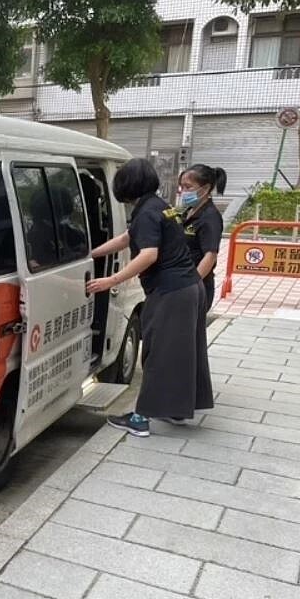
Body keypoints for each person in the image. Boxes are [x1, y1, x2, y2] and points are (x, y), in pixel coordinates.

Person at [87, 158, 213, 436]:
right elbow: (127, 238)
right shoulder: (158, 205)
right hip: (189, 287)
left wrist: (112, 280)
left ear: (127, 185)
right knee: (182, 353)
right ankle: (177, 409)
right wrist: (90, 253)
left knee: (157, 353)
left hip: (171, 292)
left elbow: (148, 254)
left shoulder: (146, 212)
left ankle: (140, 418)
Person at [178, 164, 226, 312]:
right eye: (182, 187)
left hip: (195, 286)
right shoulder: (186, 211)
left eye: (188, 187)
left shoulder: (210, 217)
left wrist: (191, 284)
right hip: (178, 282)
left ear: (205, 189)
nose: (183, 192)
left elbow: (210, 256)